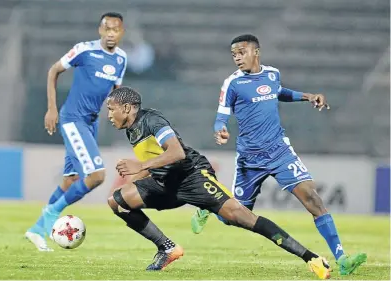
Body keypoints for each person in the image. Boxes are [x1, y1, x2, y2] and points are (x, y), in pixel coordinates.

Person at [105, 86, 331, 279]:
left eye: (110, 109)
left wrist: (140, 166)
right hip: (166, 184)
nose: (108, 115)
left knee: (242, 218)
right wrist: (139, 173)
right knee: (117, 201)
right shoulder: (131, 129)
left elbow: (177, 153)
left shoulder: (152, 121)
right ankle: (167, 248)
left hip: (192, 177)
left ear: (126, 108)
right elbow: (156, 161)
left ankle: (312, 258)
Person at [190, 34, 366, 275]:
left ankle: (342, 258)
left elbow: (278, 92)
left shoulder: (273, 74)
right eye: (234, 55)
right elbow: (221, 115)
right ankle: (209, 207)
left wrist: (307, 96)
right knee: (233, 216)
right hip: (250, 159)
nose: (237, 58)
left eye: (241, 52)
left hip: (280, 151)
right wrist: (219, 129)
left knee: (313, 199)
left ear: (256, 52)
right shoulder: (232, 83)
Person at [25, 12, 127, 251]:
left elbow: (115, 93)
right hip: (73, 120)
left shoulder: (121, 59)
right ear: (99, 30)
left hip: (91, 123)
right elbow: (53, 70)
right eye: (107, 29)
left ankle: (37, 230)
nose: (111, 33)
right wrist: (51, 109)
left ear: (122, 33)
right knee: (96, 176)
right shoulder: (84, 50)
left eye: (116, 30)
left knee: (70, 180)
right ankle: (51, 213)